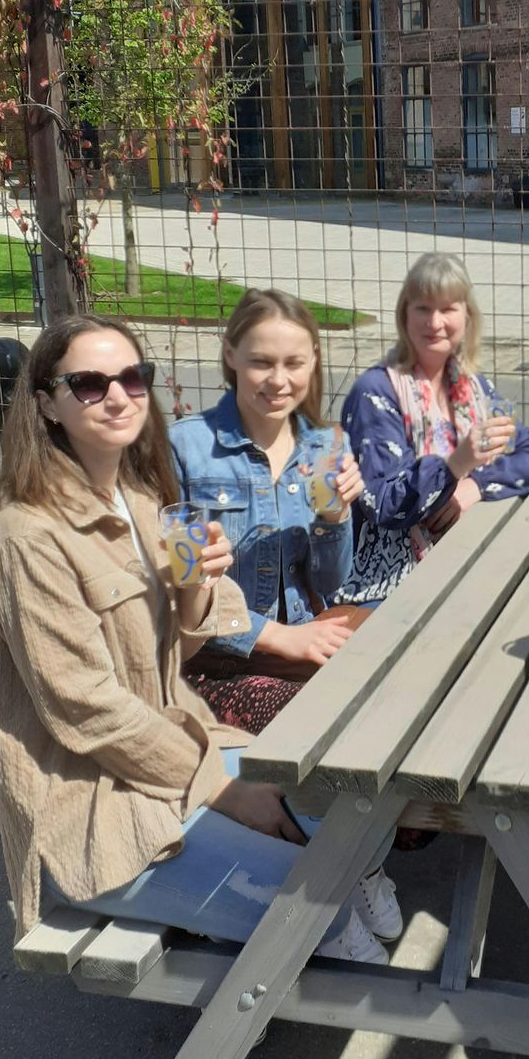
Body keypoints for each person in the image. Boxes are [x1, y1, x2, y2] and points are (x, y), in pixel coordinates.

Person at [0, 315, 391, 961]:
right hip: (95, 808)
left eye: (134, 377)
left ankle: (326, 941)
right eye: (89, 383)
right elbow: (88, 711)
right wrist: (221, 790)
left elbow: (186, 647)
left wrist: (196, 587)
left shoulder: (138, 503)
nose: (118, 394)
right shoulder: (24, 541)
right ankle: (316, 967)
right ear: (47, 402)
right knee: (310, 904)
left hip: (176, 746)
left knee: (350, 818)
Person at [169, 289, 365, 734]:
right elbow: (179, 593)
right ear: (231, 355)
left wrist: (335, 517)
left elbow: (329, 582)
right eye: (261, 362)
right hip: (214, 665)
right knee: (329, 722)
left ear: (313, 361)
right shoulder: (186, 448)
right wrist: (276, 637)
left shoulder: (324, 446)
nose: (278, 380)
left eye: (293, 363)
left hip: (303, 642)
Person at [337, 251, 529, 604]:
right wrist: (454, 466)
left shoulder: (471, 387)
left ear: (467, 317)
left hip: (468, 558)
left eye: (448, 308)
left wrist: (474, 486)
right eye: (423, 308)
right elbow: (384, 504)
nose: (434, 322)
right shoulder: (376, 392)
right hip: (388, 585)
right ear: (404, 315)